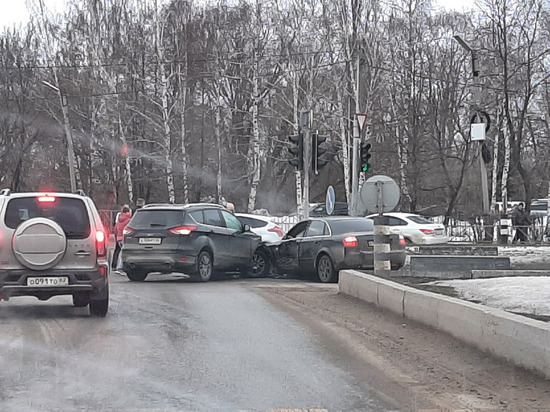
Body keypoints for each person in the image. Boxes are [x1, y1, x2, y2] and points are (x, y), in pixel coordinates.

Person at [112, 205, 132, 272]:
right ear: (128, 211)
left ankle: (117, 266)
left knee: (120, 252)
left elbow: (115, 230)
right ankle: (120, 267)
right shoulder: (129, 220)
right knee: (123, 254)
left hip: (118, 238)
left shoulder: (119, 220)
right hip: (124, 238)